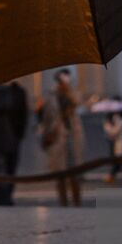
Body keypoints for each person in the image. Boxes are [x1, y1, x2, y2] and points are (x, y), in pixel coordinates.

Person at [38, 68, 86, 206]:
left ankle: (77, 202)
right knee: (60, 172)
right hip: (57, 135)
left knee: (75, 171)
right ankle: (63, 202)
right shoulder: (51, 95)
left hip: (73, 135)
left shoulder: (73, 92)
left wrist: (68, 90)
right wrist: (46, 133)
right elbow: (47, 117)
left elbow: (77, 102)